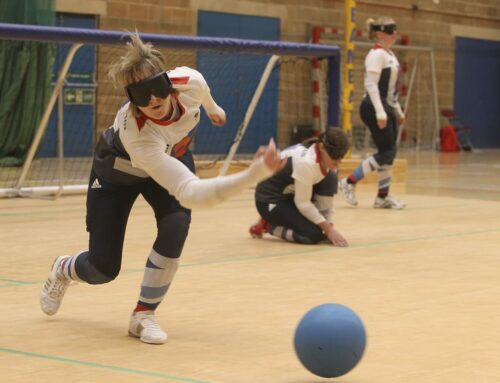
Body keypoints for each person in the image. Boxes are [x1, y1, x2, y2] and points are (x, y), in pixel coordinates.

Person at [39, 32, 284, 345]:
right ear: (130, 97)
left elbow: (206, 97)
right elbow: (192, 192)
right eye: (140, 95)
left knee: (177, 223)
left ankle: (143, 315)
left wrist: (214, 110)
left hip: (173, 155)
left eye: (157, 89)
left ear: (169, 83)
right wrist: (255, 173)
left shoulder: (191, 81)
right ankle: (64, 268)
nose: (152, 100)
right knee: (102, 269)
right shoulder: (137, 133)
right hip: (119, 171)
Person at [339, 17, 406, 209]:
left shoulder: (390, 55)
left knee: (389, 153)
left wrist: (398, 111)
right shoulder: (376, 55)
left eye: (395, 29)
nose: (395, 33)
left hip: (386, 107)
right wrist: (380, 112)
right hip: (373, 107)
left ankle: (382, 197)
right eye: (390, 30)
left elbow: (391, 90)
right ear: (379, 33)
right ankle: (349, 182)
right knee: (388, 151)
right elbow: (371, 85)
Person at [249, 127, 349, 246]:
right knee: (313, 235)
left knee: (331, 177)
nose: (339, 161)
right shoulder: (306, 163)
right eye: (335, 155)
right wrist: (328, 229)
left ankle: (282, 220)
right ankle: (268, 225)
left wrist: (328, 227)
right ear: (322, 147)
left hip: (291, 194)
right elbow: (303, 203)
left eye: (341, 156)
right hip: (270, 200)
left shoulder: (327, 161)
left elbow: (325, 205)